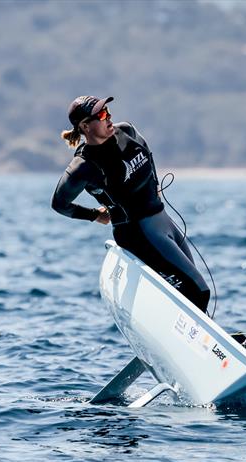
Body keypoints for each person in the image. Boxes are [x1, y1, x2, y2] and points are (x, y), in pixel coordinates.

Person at [51, 95, 210, 312]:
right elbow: (60, 204)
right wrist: (95, 215)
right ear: (85, 126)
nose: (109, 117)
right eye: (101, 115)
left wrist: (154, 184)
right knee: (198, 292)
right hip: (138, 233)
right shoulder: (83, 167)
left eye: (108, 111)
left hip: (163, 222)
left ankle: (203, 340)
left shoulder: (126, 131)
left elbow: (146, 152)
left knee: (193, 291)